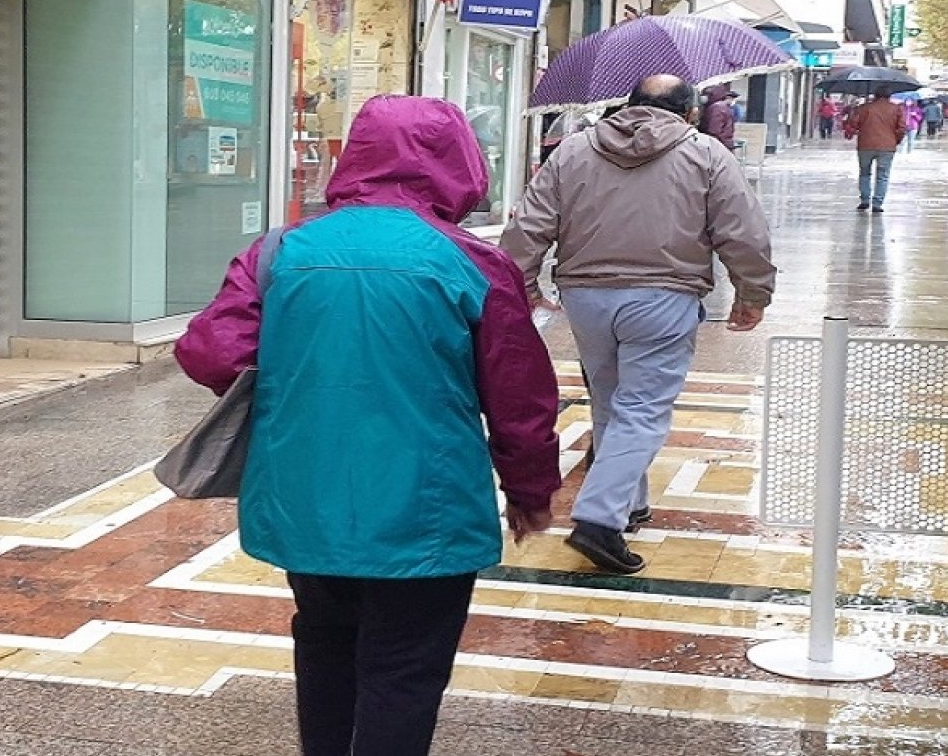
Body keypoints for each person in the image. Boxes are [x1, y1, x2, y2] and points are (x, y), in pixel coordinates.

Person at [175, 96, 562, 756]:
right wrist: (531, 493)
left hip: (305, 499)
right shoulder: (471, 261)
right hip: (427, 509)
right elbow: (520, 398)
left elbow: (210, 351)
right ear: (458, 162)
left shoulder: (280, 251)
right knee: (404, 669)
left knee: (324, 645)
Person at [502, 74, 776, 575]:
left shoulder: (573, 150)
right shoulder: (708, 154)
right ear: (689, 112)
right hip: (664, 296)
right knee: (643, 409)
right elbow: (743, 230)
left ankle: (630, 503)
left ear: (627, 107)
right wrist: (753, 292)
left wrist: (522, 283)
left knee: (611, 401)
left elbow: (530, 224)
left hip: (586, 297)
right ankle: (599, 519)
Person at [851, 86, 908, 214]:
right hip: (887, 146)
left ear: (875, 95)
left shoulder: (865, 108)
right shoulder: (896, 109)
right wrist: (896, 140)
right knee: (882, 175)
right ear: (889, 96)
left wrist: (858, 111)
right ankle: (877, 203)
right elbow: (902, 128)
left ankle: (865, 200)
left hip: (865, 145)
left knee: (864, 173)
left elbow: (854, 124)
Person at [699, 83, 739, 151]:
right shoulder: (721, 107)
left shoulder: (717, 107)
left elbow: (714, 130)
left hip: (718, 145)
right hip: (724, 143)